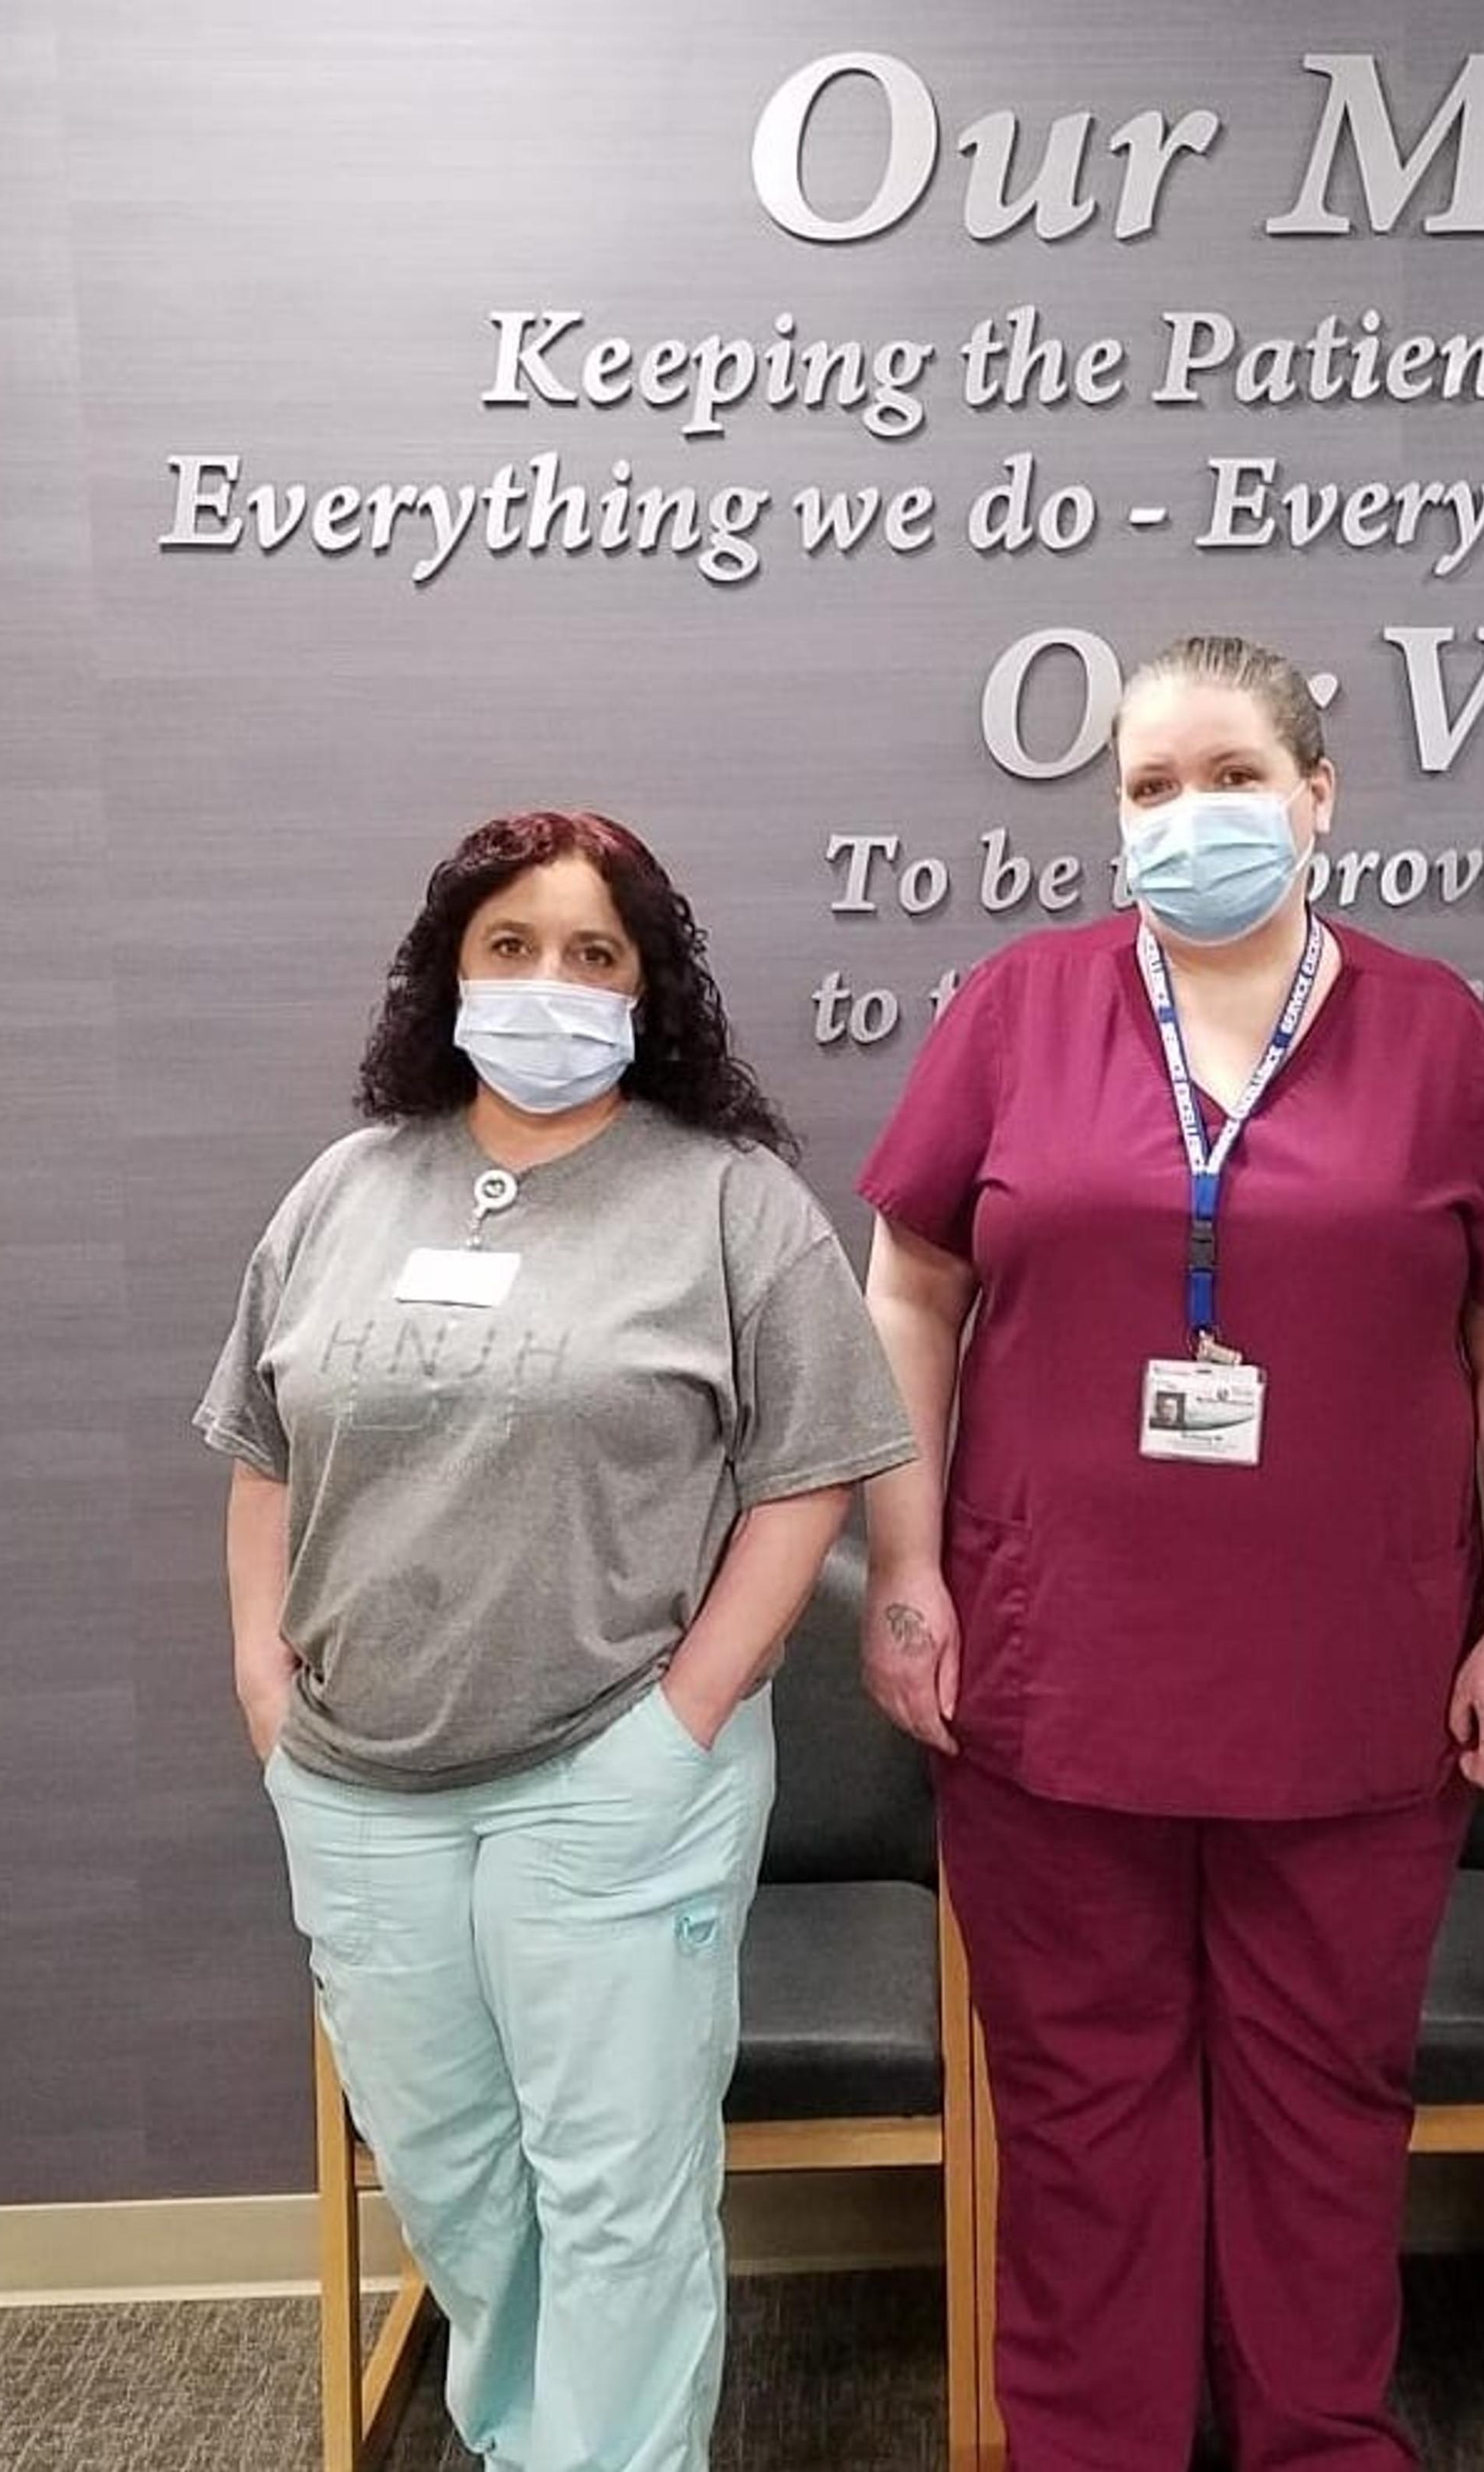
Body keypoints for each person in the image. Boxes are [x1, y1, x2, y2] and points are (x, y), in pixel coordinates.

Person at [856, 634, 1484, 2472]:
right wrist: (910, 1571)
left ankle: (1315, 2439)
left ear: (1320, 797)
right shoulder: (1021, 1008)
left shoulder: (1434, 1035)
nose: (1193, 818)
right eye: (1152, 789)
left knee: (1325, 2107)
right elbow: (911, 1286)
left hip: (1355, 1684)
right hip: (1054, 1668)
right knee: (1080, 2106)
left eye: (1232, 777)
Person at [198, 810, 913, 2472]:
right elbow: (261, 1445)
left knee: (617, 2188)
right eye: (510, 946)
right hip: (359, 1782)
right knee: (455, 2176)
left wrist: (684, 1715)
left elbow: (812, 1475)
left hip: (615, 1775)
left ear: (650, 988)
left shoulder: (729, 1203)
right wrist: (259, 1672)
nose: (550, 982)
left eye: (595, 953)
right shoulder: (348, 1189)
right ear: (448, 967)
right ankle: (531, 2443)